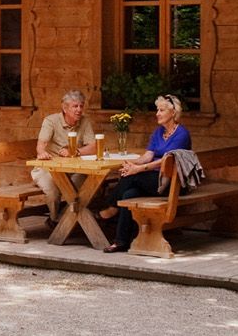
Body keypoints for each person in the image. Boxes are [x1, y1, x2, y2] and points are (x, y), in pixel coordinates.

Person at [101, 94, 192, 251]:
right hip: (152, 180)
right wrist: (132, 164)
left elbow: (166, 161)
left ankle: (111, 206)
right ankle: (121, 242)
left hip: (172, 182)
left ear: (173, 113)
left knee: (133, 176)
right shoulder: (158, 132)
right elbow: (148, 156)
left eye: (161, 110)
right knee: (128, 194)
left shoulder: (182, 134)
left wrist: (136, 169)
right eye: (157, 110)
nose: (157, 113)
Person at [32, 89, 97, 202]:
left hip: (73, 168)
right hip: (48, 168)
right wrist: (42, 153)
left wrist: (75, 152)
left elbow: (93, 147)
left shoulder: (84, 121)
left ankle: (68, 216)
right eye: (75, 106)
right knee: (52, 190)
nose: (79, 110)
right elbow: (41, 144)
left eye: (81, 106)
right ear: (65, 108)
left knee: (86, 184)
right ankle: (54, 218)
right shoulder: (51, 121)